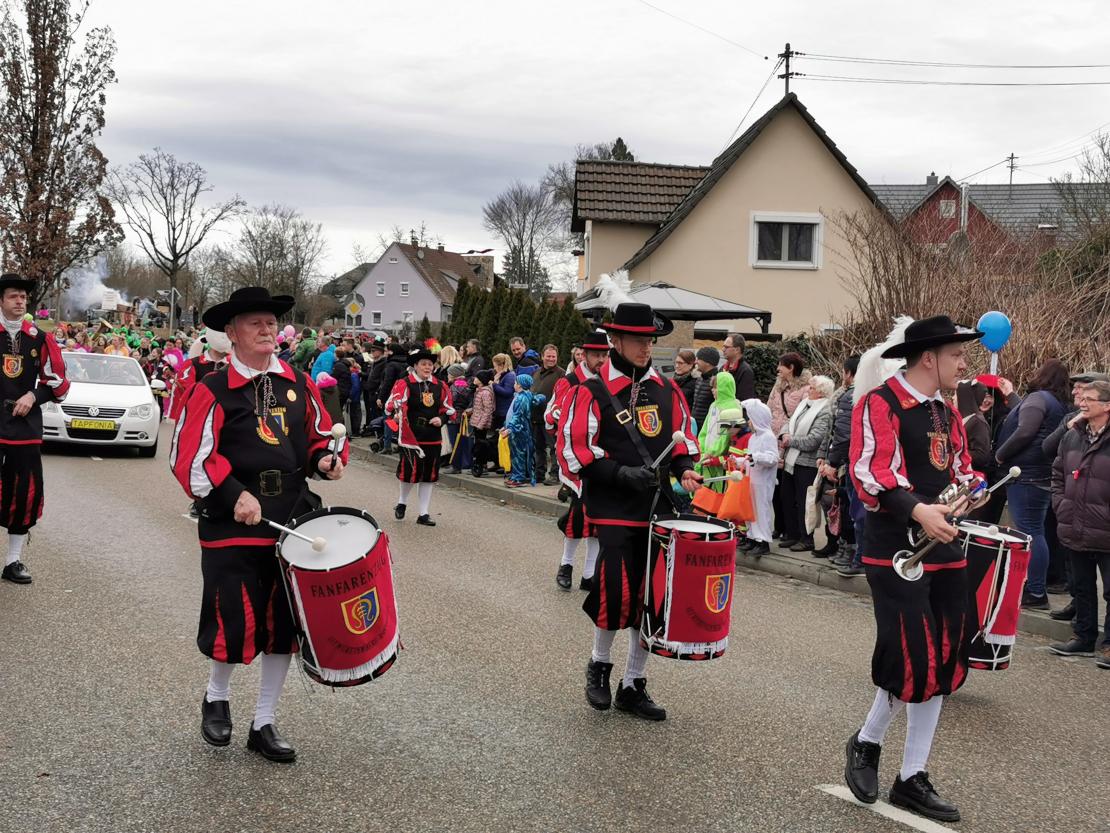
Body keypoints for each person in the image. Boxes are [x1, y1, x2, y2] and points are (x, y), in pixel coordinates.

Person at [170, 286, 347, 763]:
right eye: (256, 323)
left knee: (284, 624)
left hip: (291, 516)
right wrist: (233, 494)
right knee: (232, 614)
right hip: (233, 519)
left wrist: (325, 461)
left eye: (271, 322)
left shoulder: (299, 382)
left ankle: (264, 721)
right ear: (231, 334)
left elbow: (315, 439)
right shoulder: (211, 389)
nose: (268, 329)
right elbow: (188, 459)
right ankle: (216, 697)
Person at [844, 315, 985, 823]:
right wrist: (918, 509)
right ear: (929, 357)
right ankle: (866, 743)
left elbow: (962, 469)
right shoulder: (879, 403)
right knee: (913, 658)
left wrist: (970, 494)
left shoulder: (946, 412)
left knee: (943, 661)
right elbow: (870, 471)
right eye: (957, 355)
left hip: (945, 547)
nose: (963, 364)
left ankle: (911, 776)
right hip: (897, 551)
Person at [557, 303, 701, 722]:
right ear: (615, 341)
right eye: (639, 340)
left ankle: (634, 684)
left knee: (651, 597)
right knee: (616, 590)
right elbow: (576, 449)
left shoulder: (666, 389)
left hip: (656, 509)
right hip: (615, 506)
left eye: (650, 341)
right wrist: (621, 473)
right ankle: (599, 665)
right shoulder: (591, 389)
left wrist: (686, 471)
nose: (646, 348)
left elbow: (681, 442)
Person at [0, 274, 70, 585]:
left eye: (23, 297)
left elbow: (58, 385)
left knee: (23, 492)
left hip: (24, 429)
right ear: (1, 300)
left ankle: (12, 561)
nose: (20, 301)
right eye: (13, 296)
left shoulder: (39, 339)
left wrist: (33, 395)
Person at [995, 359, 1069, 609]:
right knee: (1036, 531)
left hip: (1025, 474)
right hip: (1041, 473)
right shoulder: (1056, 404)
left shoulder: (1039, 399)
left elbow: (1026, 430)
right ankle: (1036, 586)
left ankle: (1036, 591)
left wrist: (1001, 454)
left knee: (1031, 533)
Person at [1048, 379, 1110, 668]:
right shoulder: (1072, 435)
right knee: (1082, 586)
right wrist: (1061, 505)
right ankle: (1083, 637)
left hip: (1105, 528)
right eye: (1081, 398)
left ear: (1107, 405)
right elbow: (1058, 473)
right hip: (1075, 523)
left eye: (1090, 399)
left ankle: (1108, 645)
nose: (1082, 403)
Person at [548, 330, 609, 591]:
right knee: (577, 517)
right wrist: (563, 415)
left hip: (605, 459)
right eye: (597, 355)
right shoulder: (570, 381)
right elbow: (550, 414)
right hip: (578, 461)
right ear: (584, 355)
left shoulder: (612, 383)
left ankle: (589, 573)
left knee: (598, 520)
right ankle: (566, 564)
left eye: (605, 354)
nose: (602, 360)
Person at [386, 346, 454, 526]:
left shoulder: (440, 386)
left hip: (432, 437)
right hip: (411, 437)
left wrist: (441, 419)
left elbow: (448, 410)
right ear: (415, 366)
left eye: (430, 364)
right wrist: (397, 413)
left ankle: (423, 513)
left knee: (429, 475)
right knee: (409, 473)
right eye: (424, 364)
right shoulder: (405, 384)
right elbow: (392, 404)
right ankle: (402, 502)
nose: (428, 367)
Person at [779, 376, 833, 552]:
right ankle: (792, 533)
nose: (808, 390)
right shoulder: (804, 404)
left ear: (821, 392)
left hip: (807, 463)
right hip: (790, 460)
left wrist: (790, 441)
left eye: (812, 387)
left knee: (805, 502)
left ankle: (806, 538)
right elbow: (789, 422)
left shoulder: (825, 410)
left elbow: (815, 439)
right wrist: (785, 435)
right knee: (787, 498)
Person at [738, 399, 778, 556]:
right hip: (752, 480)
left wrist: (756, 457)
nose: (749, 422)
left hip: (763, 482)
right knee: (751, 510)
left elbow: (772, 458)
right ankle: (752, 537)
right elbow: (749, 457)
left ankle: (763, 541)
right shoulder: (753, 438)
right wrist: (739, 460)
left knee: (761, 511)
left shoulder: (768, 436)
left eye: (751, 418)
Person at [169, 328, 231, 422]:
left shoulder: (233, 365)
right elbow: (184, 392)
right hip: (198, 418)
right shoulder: (193, 364)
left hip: (227, 419)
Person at [695, 372, 742, 491]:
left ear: (724, 388)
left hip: (720, 460)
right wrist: (701, 449)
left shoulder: (733, 407)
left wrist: (712, 452)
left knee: (720, 491)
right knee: (705, 492)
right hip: (706, 456)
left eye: (716, 387)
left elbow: (726, 437)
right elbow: (704, 431)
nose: (713, 390)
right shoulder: (713, 405)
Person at [501, 374, 545, 487]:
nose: (514, 384)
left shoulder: (521, 398)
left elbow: (517, 416)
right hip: (518, 429)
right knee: (518, 453)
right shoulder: (523, 395)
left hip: (518, 431)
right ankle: (517, 475)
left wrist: (509, 429)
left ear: (520, 385)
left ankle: (519, 478)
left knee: (517, 455)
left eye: (515, 383)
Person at [530, 344, 563, 485]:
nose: (551, 359)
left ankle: (555, 475)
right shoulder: (536, 373)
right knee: (539, 448)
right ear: (542, 356)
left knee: (554, 447)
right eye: (548, 356)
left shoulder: (561, 374)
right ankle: (539, 474)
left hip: (551, 418)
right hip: (536, 417)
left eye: (553, 356)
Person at [446, 363, 472, 473]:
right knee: (463, 441)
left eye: (449, 374)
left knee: (455, 442)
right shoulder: (466, 384)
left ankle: (456, 466)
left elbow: (452, 400)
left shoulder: (455, 386)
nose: (447, 376)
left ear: (453, 375)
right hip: (463, 416)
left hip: (454, 416)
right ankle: (465, 463)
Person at [469, 369, 496, 477]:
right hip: (477, 422)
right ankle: (479, 463)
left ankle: (482, 465)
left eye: (476, 377)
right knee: (479, 444)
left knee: (481, 445)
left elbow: (487, 409)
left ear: (481, 380)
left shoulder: (485, 393)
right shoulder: (479, 391)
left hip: (482, 424)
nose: (474, 379)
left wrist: (481, 424)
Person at [690, 346, 719, 428]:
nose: (695, 362)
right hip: (695, 427)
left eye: (698, 359)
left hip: (708, 428)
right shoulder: (699, 379)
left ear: (708, 362)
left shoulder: (717, 381)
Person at [722, 333, 757, 401]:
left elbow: (745, 399)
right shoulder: (723, 368)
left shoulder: (745, 371)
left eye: (726, 347)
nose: (723, 349)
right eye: (723, 346)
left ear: (737, 349)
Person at [490, 353, 516, 432]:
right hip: (500, 411)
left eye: (495, 366)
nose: (494, 368)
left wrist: (494, 385)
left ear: (501, 365)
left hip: (505, 411)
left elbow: (508, 392)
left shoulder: (510, 376)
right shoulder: (503, 375)